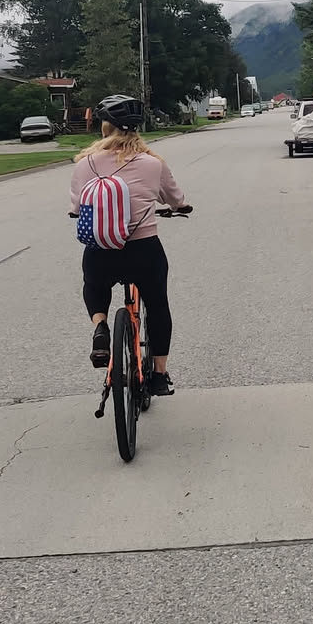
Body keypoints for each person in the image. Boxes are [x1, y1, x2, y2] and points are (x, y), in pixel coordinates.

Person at [71, 94, 190, 400]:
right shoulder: (153, 163)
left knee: (94, 286)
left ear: (106, 126)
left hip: (101, 250)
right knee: (158, 304)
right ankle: (159, 376)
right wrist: (179, 206)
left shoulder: (85, 163)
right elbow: (174, 198)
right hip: (143, 250)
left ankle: (101, 326)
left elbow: (77, 205)